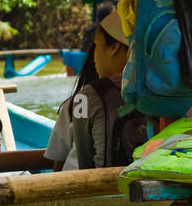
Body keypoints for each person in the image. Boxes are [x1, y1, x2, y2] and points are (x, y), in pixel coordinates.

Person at [45, 9, 145, 170]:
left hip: (94, 187)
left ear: (114, 47)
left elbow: (74, 165)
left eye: (97, 46)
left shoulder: (84, 98)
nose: (93, 57)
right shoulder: (166, 96)